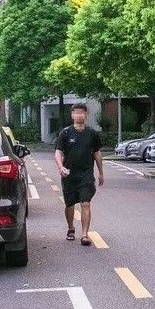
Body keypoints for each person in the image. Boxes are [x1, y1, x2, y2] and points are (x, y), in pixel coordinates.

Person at [54, 103, 105, 246]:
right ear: (72, 115)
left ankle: (84, 235)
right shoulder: (65, 133)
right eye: (76, 113)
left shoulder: (92, 134)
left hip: (86, 175)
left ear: (86, 114)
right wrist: (61, 167)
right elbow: (58, 152)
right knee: (69, 204)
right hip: (69, 175)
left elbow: (97, 153)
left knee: (85, 203)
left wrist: (101, 172)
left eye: (81, 112)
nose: (79, 115)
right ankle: (71, 228)